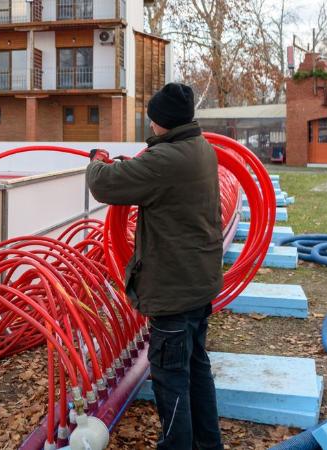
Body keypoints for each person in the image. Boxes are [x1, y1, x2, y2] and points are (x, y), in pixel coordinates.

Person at [86, 82, 224, 450]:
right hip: (198, 284)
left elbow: (106, 185)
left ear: (162, 121)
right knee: (196, 369)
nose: (149, 125)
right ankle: (208, 445)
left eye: (152, 119)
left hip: (174, 292)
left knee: (171, 379)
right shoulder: (202, 149)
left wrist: (97, 160)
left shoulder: (166, 160)